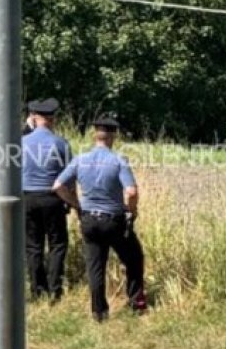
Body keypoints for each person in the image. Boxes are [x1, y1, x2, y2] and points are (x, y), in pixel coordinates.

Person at [52, 115, 146, 322]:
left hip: (89, 219)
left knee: (95, 266)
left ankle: (99, 312)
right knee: (134, 258)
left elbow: (57, 186)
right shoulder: (118, 161)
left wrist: (77, 204)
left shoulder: (80, 160)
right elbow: (130, 191)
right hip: (113, 219)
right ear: (113, 135)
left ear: (95, 135)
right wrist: (132, 211)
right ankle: (136, 303)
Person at [22, 98, 72, 302]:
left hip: (27, 198)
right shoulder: (60, 143)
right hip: (52, 198)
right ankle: (55, 289)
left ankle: (37, 289)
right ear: (53, 119)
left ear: (34, 118)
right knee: (57, 243)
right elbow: (68, 177)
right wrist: (71, 201)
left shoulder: (21, 142)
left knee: (33, 245)